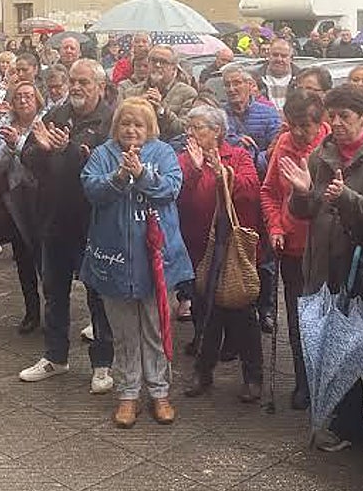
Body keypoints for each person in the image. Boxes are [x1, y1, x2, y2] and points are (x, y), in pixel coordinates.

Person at [285, 82, 363, 471]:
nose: (335, 124)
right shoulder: (323, 155)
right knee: (336, 352)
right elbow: (308, 209)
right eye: (331, 116)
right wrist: (302, 194)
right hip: (327, 269)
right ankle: (349, 425)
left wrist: (345, 198)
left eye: (345, 117)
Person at [81, 97, 192, 427]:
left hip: (156, 258)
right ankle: (128, 393)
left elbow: (171, 188)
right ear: (116, 125)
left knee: (157, 328)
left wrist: (142, 174)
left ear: (151, 128)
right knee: (124, 331)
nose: (131, 129)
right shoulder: (102, 154)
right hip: (114, 257)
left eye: (138, 124)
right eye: (126, 122)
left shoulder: (163, 153)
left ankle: (159, 391)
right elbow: (90, 189)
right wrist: (117, 177)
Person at [18, 59, 115, 393]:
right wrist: (41, 150)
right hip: (52, 220)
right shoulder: (56, 115)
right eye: (73, 80)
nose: (76, 87)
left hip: (91, 223)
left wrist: (70, 150)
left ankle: (102, 364)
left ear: (100, 87)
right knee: (54, 294)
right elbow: (27, 156)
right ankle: (55, 357)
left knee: (97, 297)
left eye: (84, 82)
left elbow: (100, 164)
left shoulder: (109, 121)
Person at [177, 104, 262, 400]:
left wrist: (223, 174)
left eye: (197, 127)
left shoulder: (237, 155)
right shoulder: (185, 159)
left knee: (242, 312)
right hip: (200, 247)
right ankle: (203, 371)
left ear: (217, 131)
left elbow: (252, 189)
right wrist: (195, 170)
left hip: (233, 249)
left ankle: (253, 377)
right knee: (205, 313)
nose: (191, 132)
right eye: (190, 126)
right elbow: (179, 197)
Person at [262, 89, 329, 410]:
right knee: (298, 319)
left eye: (306, 125)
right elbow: (269, 192)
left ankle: (326, 380)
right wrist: (275, 227)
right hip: (292, 248)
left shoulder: (330, 148)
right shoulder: (283, 146)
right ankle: (304, 381)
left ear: (320, 122)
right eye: (294, 125)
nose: (300, 132)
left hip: (326, 248)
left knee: (325, 318)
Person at [0, 80, 45, 332]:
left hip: (44, 198)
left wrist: (21, 143)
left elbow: (48, 159)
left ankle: (54, 309)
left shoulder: (46, 122)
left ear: (37, 99)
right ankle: (31, 311)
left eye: (28, 96)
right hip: (15, 200)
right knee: (23, 258)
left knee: (47, 259)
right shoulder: (2, 126)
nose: (23, 100)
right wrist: (10, 148)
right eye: (18, 96)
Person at [120, 45, 197, 141]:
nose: (157, 65)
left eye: (163, 62)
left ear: (174, 68)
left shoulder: (188, 94)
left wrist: (162, 110)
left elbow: (183, 129)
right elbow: (119, 124)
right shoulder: (131, 92)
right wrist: (139, 106)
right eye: (153, 61)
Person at [221, 62, 282, 176]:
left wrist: (256, 158)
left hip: (261, 175)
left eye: (237, 83)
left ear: (249, 85)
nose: (231, 89)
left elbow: (277, 146)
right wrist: (236, 141)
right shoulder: (219, 114)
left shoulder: (268, 113)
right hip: (229, 176)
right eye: (227, 84)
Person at [258, 38, 294, 103]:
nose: (279, 59)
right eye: (275, 55)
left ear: (291, 58)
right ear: (268, 56)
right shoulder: (256, 78)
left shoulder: (301, 78)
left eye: (284, 56)